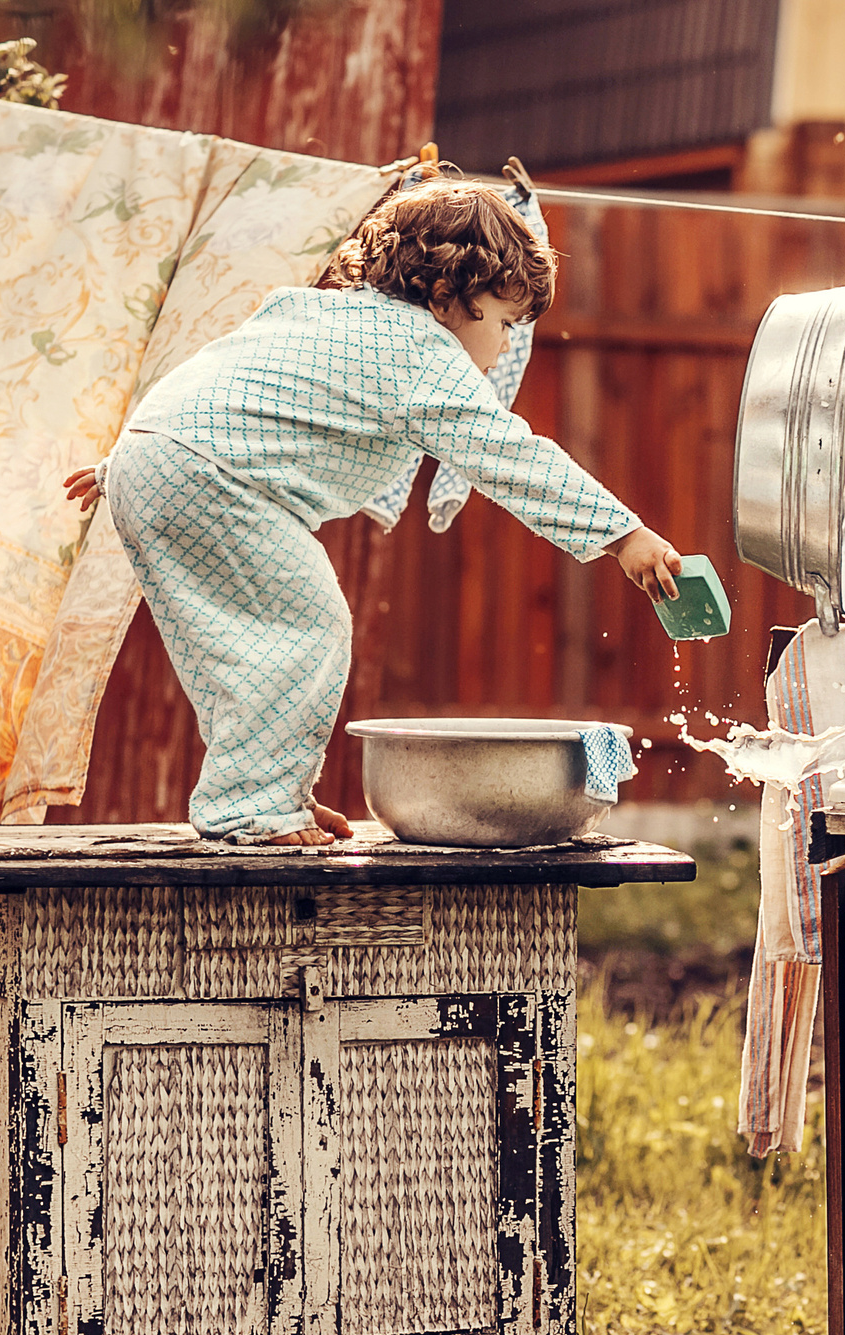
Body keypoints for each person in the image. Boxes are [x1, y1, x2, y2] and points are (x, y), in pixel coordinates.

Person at [64, 174, 681, 846]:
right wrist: (622, 533)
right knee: (307, 629)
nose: (505, 347)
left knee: (247, 652)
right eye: (504, 323)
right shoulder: (421, 353)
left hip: (155, 458)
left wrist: (122, 466)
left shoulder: (313, 313)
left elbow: (229, 382)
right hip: (218, 479)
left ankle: (271, 795)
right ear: (448, 297)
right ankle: (253, 808)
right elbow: (509, 457)